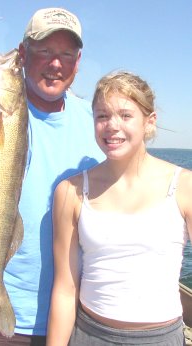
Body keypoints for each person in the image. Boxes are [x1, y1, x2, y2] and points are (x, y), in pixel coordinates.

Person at [0, 7, 104, 346]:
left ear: (78, 62)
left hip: (73, 314)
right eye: (45, 52)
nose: (56, 64)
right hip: (1, 312)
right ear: (23, 55)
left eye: (66, 54)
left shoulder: (94, 124)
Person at [46, 71, 192, 346]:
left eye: (125, 115)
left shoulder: (184, 186)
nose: (112, 125)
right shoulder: (70, 192)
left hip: (162, 338)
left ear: (149, 122)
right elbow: (65, 290)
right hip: (90, 335)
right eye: (102, 116)